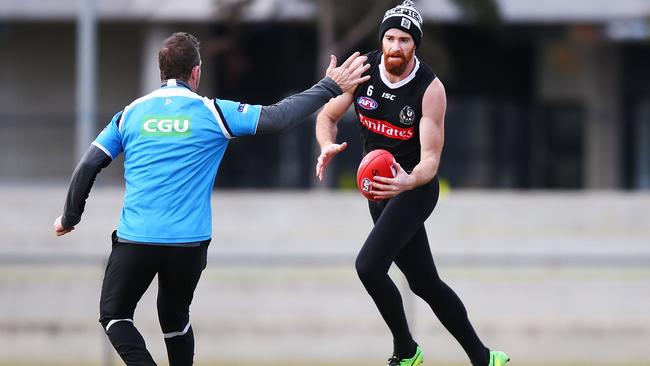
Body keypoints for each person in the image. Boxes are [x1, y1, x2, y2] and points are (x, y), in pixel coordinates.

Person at [53, 32, 369, 365]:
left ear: (162, 72)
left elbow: (90, 163)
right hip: (189, 244)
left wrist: (69, 217)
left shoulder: (131, 113)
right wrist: (329, 86)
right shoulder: (213, 112)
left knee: (115, 316)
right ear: (196, 72)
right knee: (174, 319)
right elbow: (277, 117)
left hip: (137, 240)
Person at [314, 2, 510, 366]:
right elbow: (327, 116)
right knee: (424, 283)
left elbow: (431, 161)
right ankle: (483, 357)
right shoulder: (362, 70)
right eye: (389, 37)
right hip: (379, 192)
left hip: (415, 189)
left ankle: (406, 350)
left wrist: (407, 181)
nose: (395, 46)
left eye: (404, 39)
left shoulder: (429, 89)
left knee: (368, 267)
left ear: (415, 45)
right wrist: (326, 145)